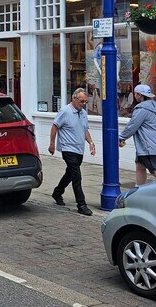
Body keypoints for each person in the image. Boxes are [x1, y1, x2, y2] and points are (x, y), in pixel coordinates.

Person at [48, 87, 96, 216]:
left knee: (69, 174)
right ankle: (82, 205)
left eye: (85, 102)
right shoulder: (65, 111)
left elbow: (85, 130)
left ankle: (57, 192)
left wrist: (91, 143)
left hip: (79, 149)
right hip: (68, 148)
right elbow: (54, 127)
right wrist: (52, 143)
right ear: (74, 99)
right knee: (76, 176)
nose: (83, 104)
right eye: (81, 101)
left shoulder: (83, 113)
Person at [119, 84, 156, 185]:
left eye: (135, 94)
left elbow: (132, 125)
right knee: (140, 167)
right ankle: (139, 189)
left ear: (138, 95)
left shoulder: (142, 109)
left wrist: (121, 137)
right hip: (152, 144)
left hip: (149, 146)